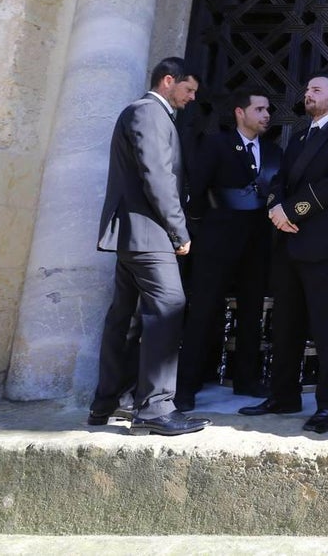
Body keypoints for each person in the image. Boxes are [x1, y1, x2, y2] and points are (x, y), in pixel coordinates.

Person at [238, 72, 328, 434]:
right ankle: (283, 395)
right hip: (288, 244)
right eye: (307, 88)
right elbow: (280, 180)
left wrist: (291, 212)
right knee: (285, 326)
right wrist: (277, 209)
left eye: (316, 89)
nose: (307, 93)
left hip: (323, 246)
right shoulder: (297, 137)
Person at [89, 57, 210, 437]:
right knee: (168, 307)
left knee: (124, 318)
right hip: (149, 235)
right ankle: (155, 409)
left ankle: (106, 403)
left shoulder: (145, 113)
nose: (191, 98)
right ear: (168, 80)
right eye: (188, 90)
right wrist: (179, 230)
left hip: (135, 236)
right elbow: (157, 175)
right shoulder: (149, 112)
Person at [175, 89, 280, 411]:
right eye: (259, 109)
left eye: (268, 110)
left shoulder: (274, 151)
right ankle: (187, 385)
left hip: (258, 240)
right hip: (217, 239)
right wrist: (198, 229)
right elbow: (198, 187)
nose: (266, 115)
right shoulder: (216, 144)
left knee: (251, 312)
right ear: (240, 112)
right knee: (204, 309)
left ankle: (246, 380)